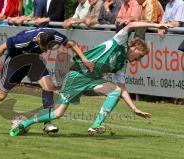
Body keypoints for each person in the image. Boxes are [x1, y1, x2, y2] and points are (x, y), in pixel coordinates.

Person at [9, 21, 171, 136]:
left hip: (90, 81)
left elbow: (122, 88)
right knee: (58, 113)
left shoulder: (122, 64)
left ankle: (96, 125)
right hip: (77, 75)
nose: (139, 60)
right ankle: (25, 123)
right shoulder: (120, 42)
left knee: (115, 91)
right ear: (135, 47)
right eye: (140, 55)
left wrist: (134, 108)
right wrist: (156, 25)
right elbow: (130, 25)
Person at [0, 27, 93, 133]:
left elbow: (70, 44)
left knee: (48, 87)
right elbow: (2, 47)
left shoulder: (53, 35)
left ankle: (47, 122)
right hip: (15, 62)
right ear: (38, 41)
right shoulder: (23, 40)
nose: (47, 51)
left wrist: (84, 59)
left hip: (34, 61)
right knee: (1, 95)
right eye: (45, 48)